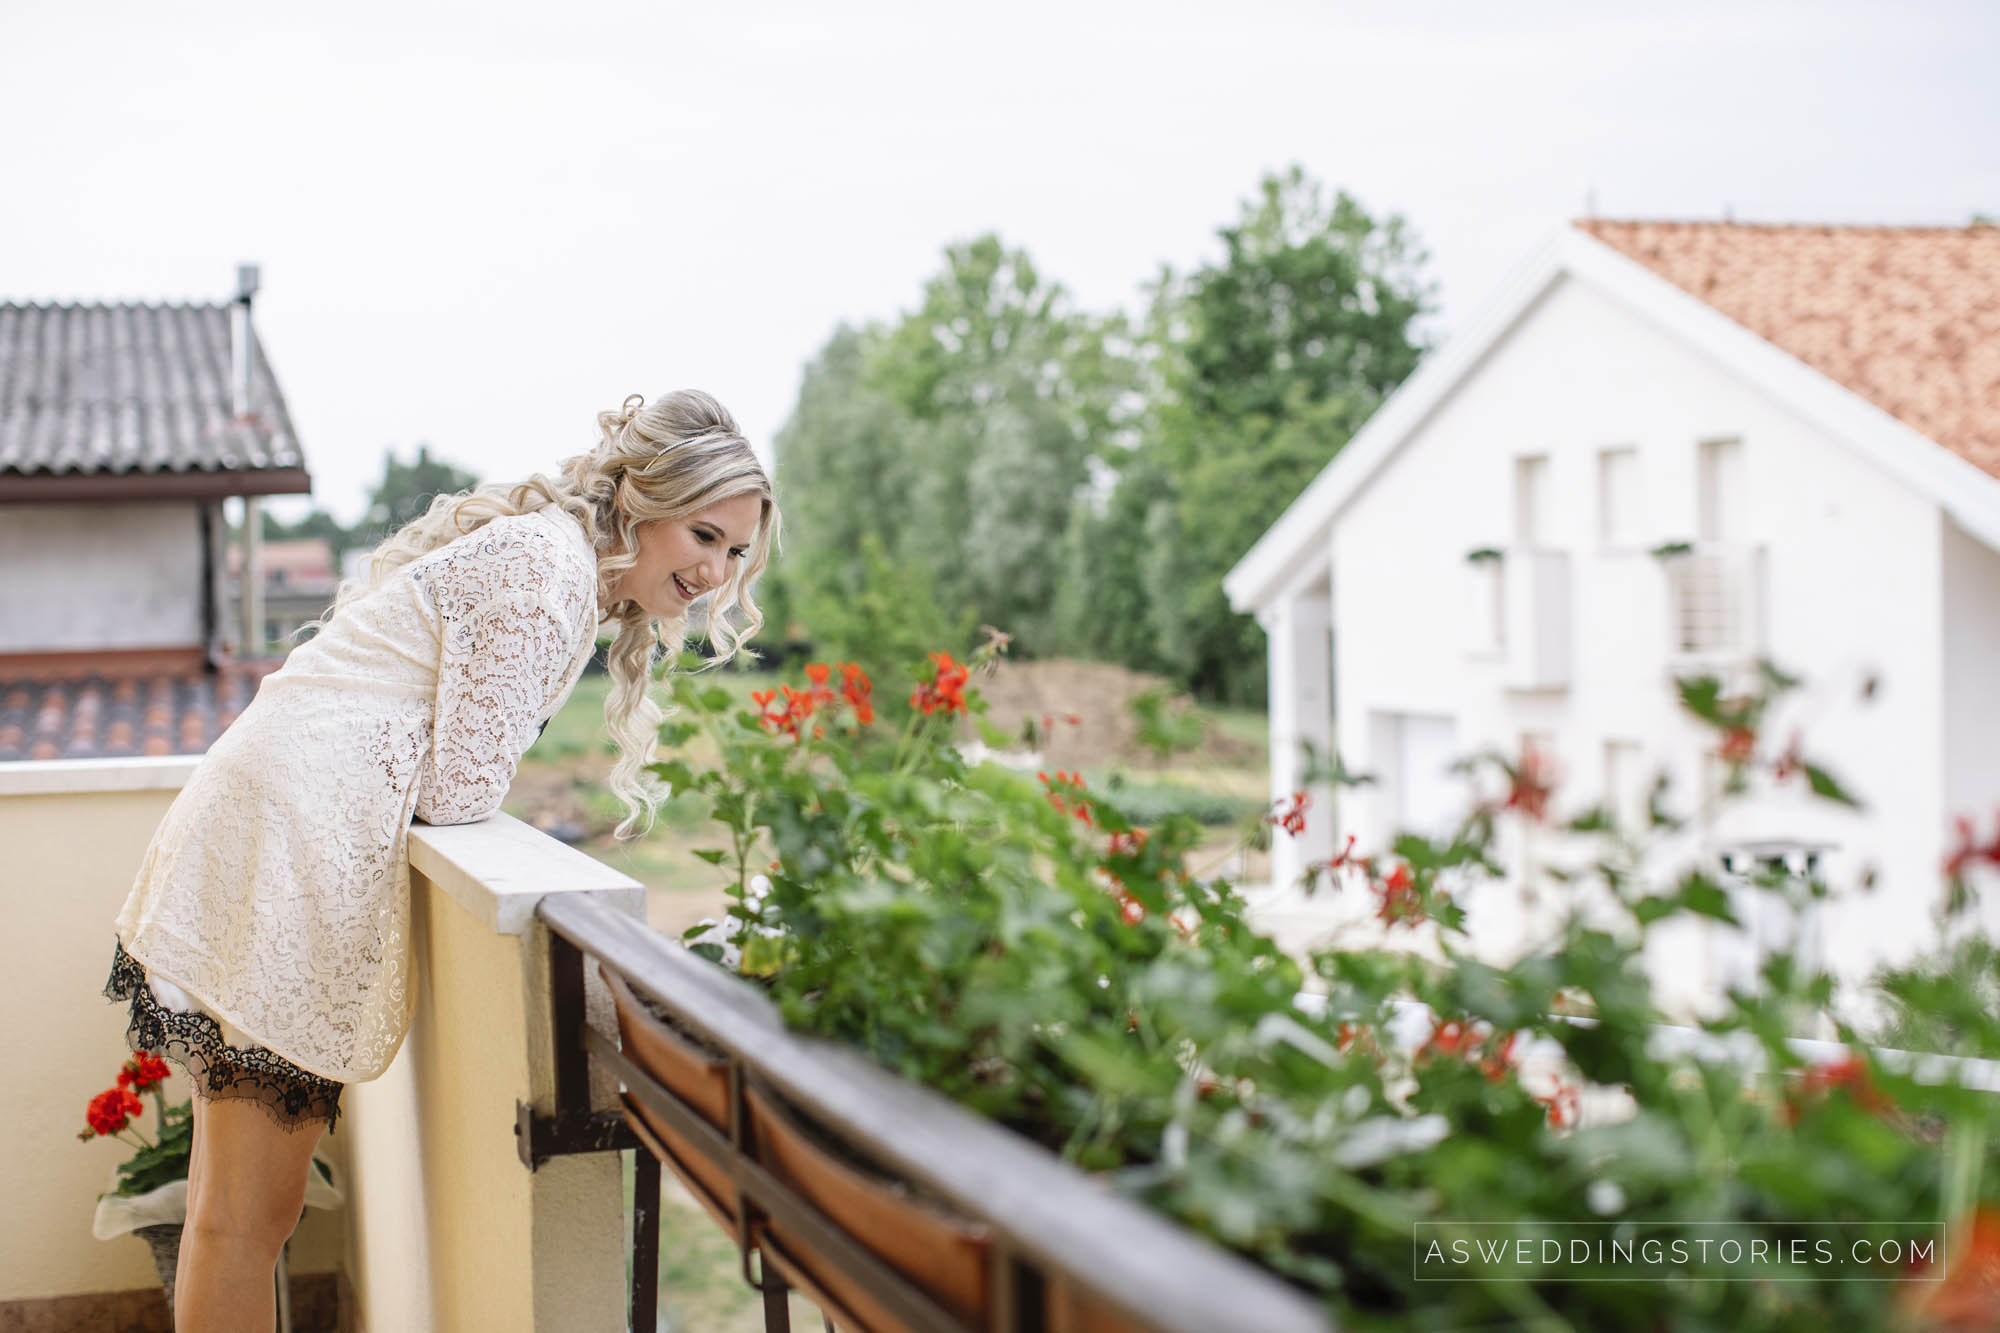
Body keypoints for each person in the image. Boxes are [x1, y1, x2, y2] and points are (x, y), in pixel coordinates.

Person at [101, 389, 780, 1329]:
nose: (716, 571)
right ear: (645, 503)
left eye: (736, 552)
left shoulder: (551, 559)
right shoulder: (549, 572)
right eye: (705, 535)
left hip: (273, 824)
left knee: (232, 1204)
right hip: (290, 851)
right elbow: (461, 792)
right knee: (247, 1215)